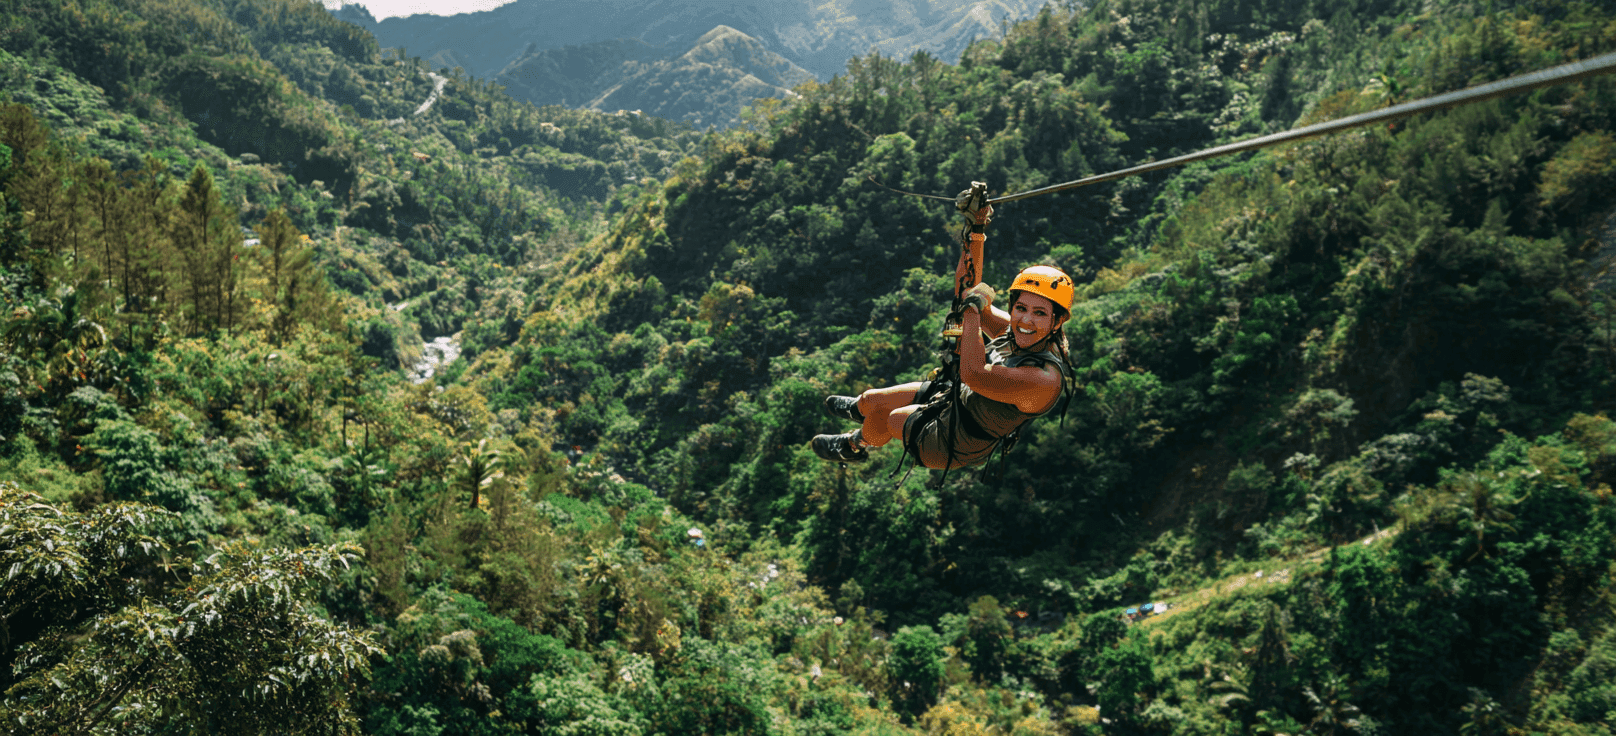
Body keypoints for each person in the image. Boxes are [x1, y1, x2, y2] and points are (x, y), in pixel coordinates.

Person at [810, 202, 1075, 469]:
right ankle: (859, 410)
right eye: (1020, 308)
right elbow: (967, 289)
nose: (1026, 320)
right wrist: (976, 230)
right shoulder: (1017, 331)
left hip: (953, 442)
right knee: (871, 401)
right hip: (956, 398)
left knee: (889, 418)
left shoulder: (1043, 380)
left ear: (1058, 320)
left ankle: (854, 444)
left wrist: (972, 310)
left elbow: (974, 373)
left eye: (1040, 313)